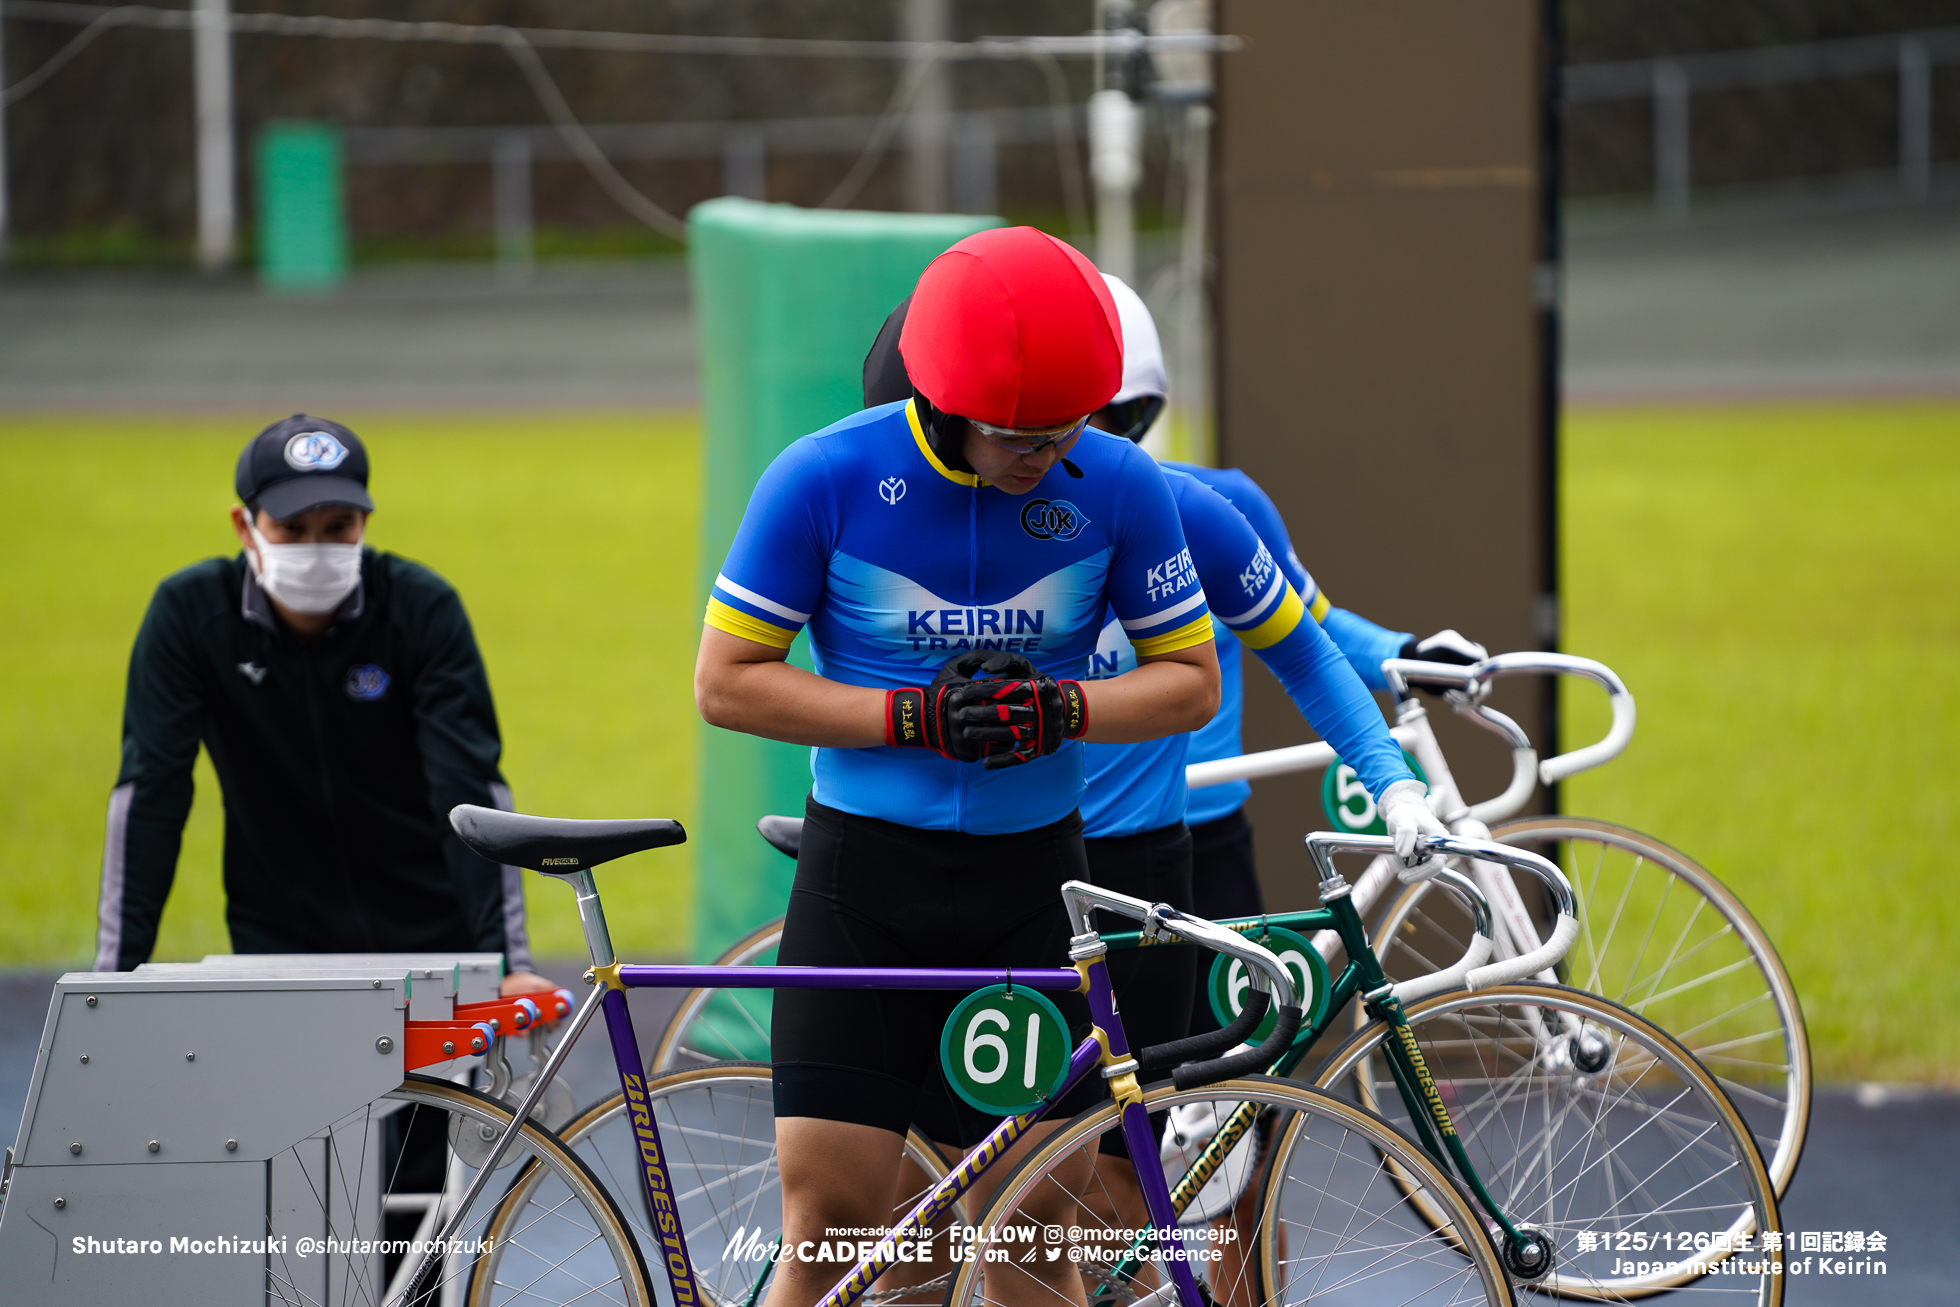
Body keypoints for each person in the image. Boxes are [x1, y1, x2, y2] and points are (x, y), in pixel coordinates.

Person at [696, 226, 1239, 1307]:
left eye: (1067, 429)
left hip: (1031, 886)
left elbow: (1190, 680)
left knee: (1040, 1226)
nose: (1048, 455)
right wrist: (913, 716)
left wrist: (1059, 706)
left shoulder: (1118, 482)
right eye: (1018, 436)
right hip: (865, 880)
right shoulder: (824, 476)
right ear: (941, 402)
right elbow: (727, 681)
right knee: (834, 1223)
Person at [861, 278, 1450, 1248]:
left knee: (1138, 1195)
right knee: (958, 1193)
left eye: (1100, 422)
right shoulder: (919, 523)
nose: (1064, 449)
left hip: (1142, 873)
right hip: (988, 868)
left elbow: (1305, 637)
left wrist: (1389, 773)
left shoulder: (1194, 506)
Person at [93, 414, 552, 998]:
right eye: (292, 527)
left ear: (365, 523)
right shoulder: (190, 616)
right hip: (278, 945)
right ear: (244, 526)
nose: (317, 548)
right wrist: (112, 979)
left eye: (339, 527)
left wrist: (509, 961)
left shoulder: (421, 609)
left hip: (435, 937)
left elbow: (469, 787)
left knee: (436, 1095)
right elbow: (151, 793)